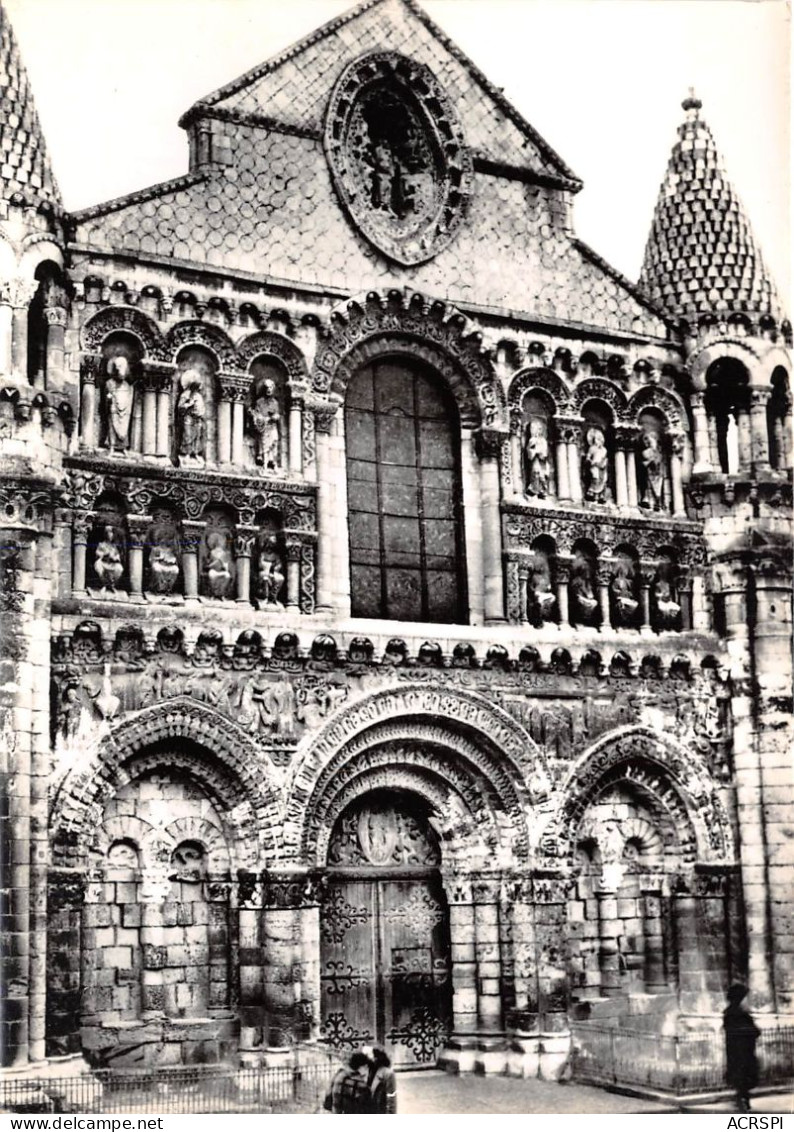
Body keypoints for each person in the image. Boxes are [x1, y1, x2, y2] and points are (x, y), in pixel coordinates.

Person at [724, 984, 760, 1113]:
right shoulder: (738, 1014)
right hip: (742, 1052)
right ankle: (743, 1102)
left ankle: (743, 1100)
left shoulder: (730, 1013)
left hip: (738, 1052)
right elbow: (751, 1031)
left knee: (742, 1079)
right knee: (743, 1078)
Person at [367, 1046, 397, 1114]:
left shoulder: (388, 1074)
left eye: (369, 1055)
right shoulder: (366, 1071)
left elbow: (391, 1100)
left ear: (376, 1057)